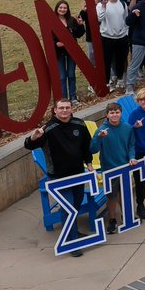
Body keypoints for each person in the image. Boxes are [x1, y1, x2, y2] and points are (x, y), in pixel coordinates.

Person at [24, 99, 93, 257]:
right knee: (67, 208)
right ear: (55, 110)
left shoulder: (79, 124)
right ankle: (72, 243)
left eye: (67, 107)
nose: (64, 110)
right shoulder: (47, 129)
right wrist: (34, 137)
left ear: (71, 109)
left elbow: (86, 147)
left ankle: (72, 232)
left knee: (74, 206)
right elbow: (28, 145)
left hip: (78, 174)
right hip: (59, 178)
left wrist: (89, 163)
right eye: (61, 108)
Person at [91, 101, 135, 235]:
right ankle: (112, 220)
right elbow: (93, 150)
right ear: (107, 115)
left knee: (125, 193)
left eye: (117, 112)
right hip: (109, 169)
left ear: (121, 114)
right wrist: (99, 138)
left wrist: (132, 157)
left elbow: (131, 145)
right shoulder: (101, 131)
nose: (114, 115)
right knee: (111, 196)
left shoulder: (127, 128)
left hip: (125, 167)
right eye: (112, 113)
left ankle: (127, 216)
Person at [51, 0, 86, 103]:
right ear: (57, 8)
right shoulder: (52, 21)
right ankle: (64, 99)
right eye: (60, 7)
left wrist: (80, 25)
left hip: (71, 51)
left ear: (67, 9)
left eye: (65, 8)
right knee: (62, 77)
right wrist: (56, 44)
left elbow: (78, 34)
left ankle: (73, 97)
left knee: (71, 74)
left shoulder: (71, 20)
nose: (62, 9)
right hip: (58, 53)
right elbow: (48, 37)